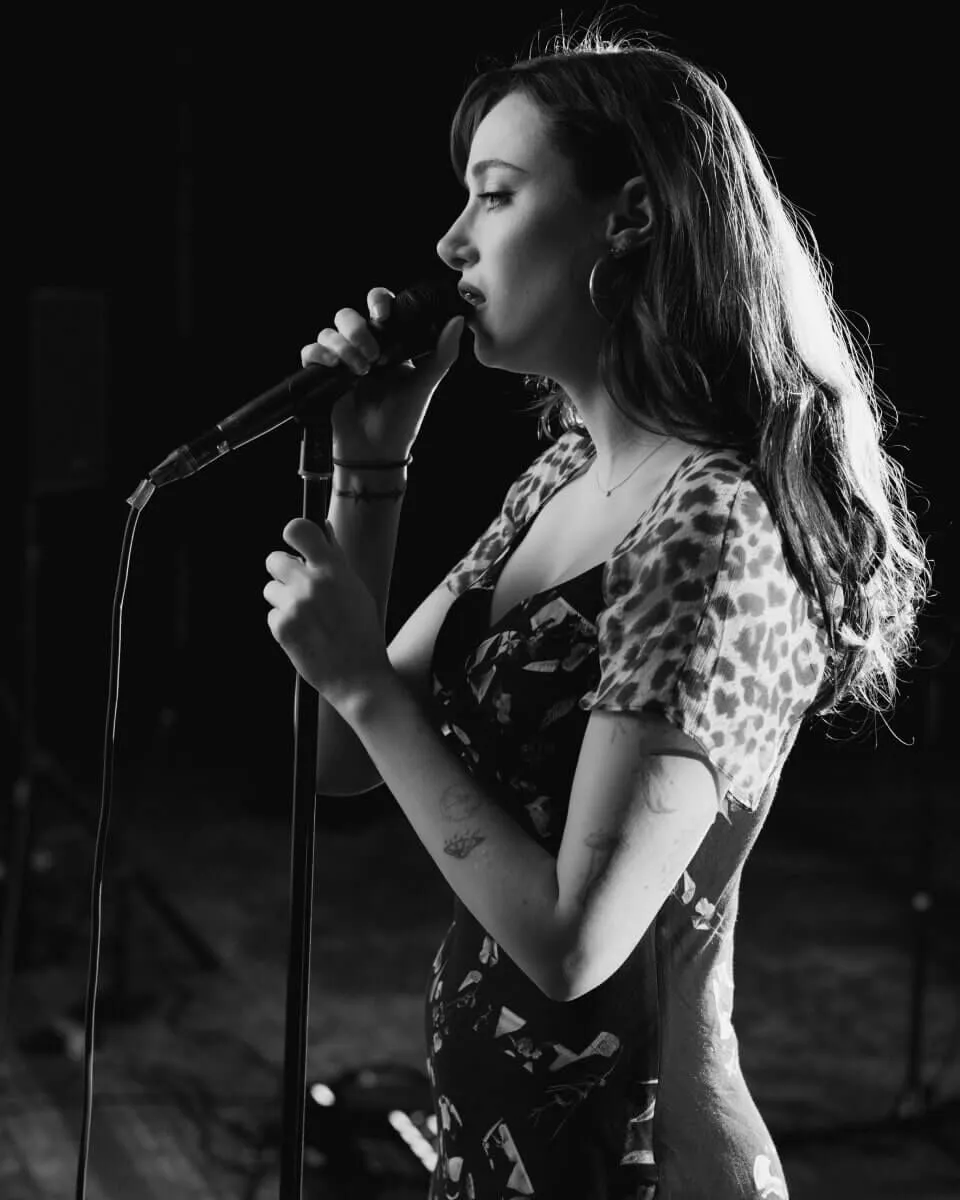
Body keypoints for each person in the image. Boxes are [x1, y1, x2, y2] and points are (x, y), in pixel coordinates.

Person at [263, 17, 931, 1200]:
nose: (450, 239)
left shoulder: (714, 523)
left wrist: (364, 680)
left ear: (628, 218)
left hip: (636, 1163)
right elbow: (336, 761)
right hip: (499, 1150)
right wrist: (373, 471)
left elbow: (573, 942)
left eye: (497, 195)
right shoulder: (562, 480)